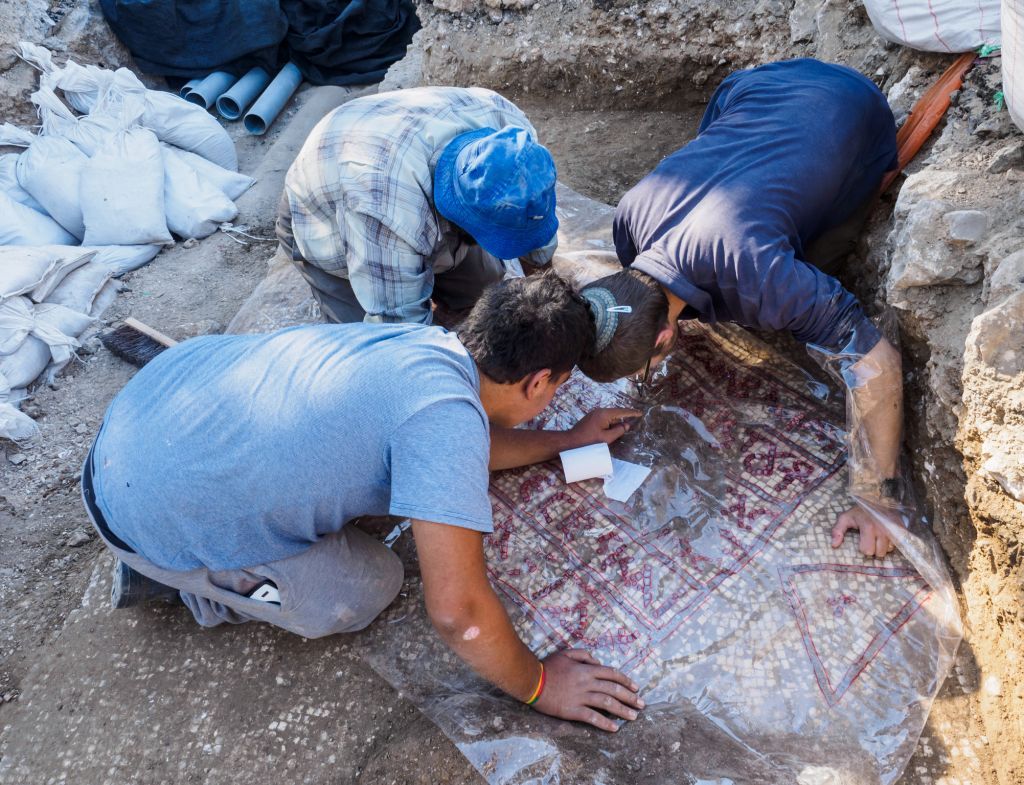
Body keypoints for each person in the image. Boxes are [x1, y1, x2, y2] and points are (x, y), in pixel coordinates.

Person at [81, 273, 642, 732]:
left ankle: (175, 546)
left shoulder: (427, 345)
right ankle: (179, 580)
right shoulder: (444, 424)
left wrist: (566, 441)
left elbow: (464, 442)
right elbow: (458, 614)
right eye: (561, 387)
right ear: (539, 380)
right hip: (140, 510)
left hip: (148, 414)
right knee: (369, 585)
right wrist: (539, 685)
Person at [576, 59, 904, 560]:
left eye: (646, 365)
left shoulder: (760, 276)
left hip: (857, 106)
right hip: (759, 85)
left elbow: (877, 362)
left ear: (664, 338)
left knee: (825, 258)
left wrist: (876, 498)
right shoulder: (630, 216)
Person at [277, 86, 559, 325]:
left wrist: (546, 305)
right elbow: (402, 332)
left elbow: (535, 226)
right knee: (373, 359)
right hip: (323, 216)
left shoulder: (511, 132)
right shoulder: (386, 210)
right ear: (461, 219)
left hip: (392, 155)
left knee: (483, 292)